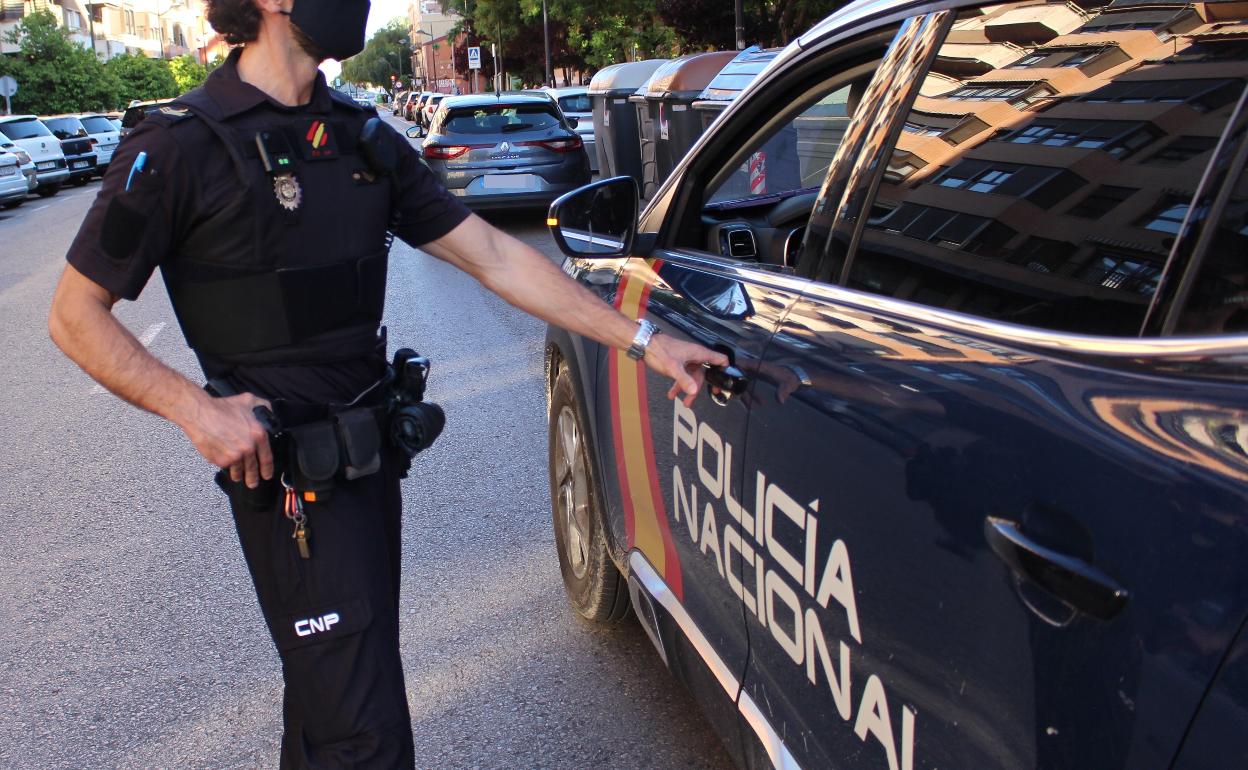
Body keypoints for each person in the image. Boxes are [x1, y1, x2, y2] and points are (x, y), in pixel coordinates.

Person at [46, 0, 726, 766]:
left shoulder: (360, 137)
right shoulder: (180, 147)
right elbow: (76, 316)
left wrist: (643, 340)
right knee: (362, 729)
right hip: (291, 484)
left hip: (370, 469)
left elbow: (494, 258)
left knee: (335, 702)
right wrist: (194, 409)